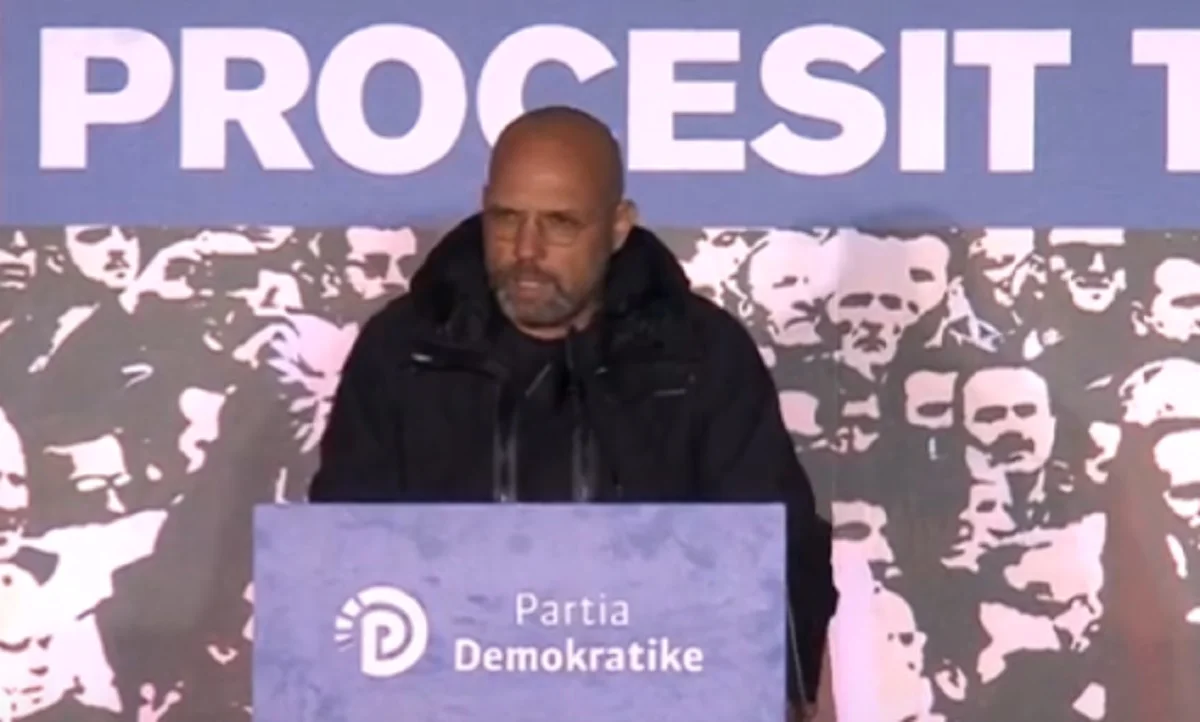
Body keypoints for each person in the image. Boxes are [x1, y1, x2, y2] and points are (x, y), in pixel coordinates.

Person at [308, 105, 837, 719]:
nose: (526, 250)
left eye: (560, 224)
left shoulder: (700, 355)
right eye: (507, 218)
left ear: (618, 226)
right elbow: (342, 555)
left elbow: (776, 557)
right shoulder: (405, 352)